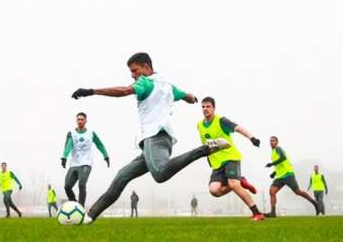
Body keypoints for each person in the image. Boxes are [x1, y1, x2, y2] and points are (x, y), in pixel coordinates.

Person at [71, 52, 230, 224]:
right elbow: (185, 95)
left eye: (134, 70)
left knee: (160, 174)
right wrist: (191, 98)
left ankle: (205, 149)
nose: (133, 75)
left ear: (146, 67)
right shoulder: (167, 85)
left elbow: (124, 90)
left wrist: (91, 91)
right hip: (155, 142)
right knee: (122, 176)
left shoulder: (145, 82)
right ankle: (90, 215)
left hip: (155, 138)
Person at [196, 97, 265, 221]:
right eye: (203, 107)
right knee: (214, 191)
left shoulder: (221, 120)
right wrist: (208, 158)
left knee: (233, 185)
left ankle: (257, 213)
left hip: (231, 157)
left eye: (208, 106)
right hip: (217, 163)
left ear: (214, 108)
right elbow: (205, 145)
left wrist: (252, 138)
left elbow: (238, 128)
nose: (205, 109)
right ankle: (241, 181)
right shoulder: (199, 125)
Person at [61, 112, 110, 206]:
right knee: (67, 187)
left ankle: (81, 208)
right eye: (78, 119)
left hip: (86, 163)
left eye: (82, 119)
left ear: (85, 121)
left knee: (81, 185)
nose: (80, 121)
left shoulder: (91, 133)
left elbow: (99, 144)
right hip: (74, 164)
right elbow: (68, 146)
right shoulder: (71, 133)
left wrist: (105, 155)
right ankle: (75, 205)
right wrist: (64, 157)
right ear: (76, 121)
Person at [264, 137, 319, 217]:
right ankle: (273, 212)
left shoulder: (278, 148)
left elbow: (283, 158)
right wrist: (274, 173)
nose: (271, 142)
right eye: (270, 141)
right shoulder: (273, 152)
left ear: (277, 142)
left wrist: (272, 164)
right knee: (272, 191)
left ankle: (315, 203)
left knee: (298, 192)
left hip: (288, 174)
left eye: (273, 141)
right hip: (280, 176)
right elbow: (281, 164)